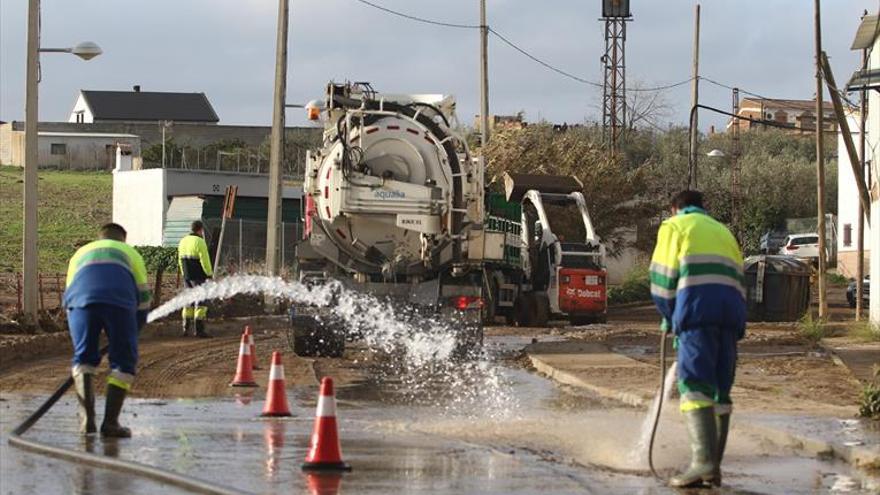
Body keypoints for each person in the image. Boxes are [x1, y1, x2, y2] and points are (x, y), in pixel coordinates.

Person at [649, 190, 746, 488]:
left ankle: (702, 463)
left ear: (675, 208)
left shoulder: (675, 226)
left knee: (694, 386)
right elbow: (741, 279)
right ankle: (712, 468)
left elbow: (663, 279)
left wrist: (670, 316)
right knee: (719, 392)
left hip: (696, 316)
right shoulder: (724, 232)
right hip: (731, 319)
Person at [64, 223, 151, 437]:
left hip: (80, 303)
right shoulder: (131, 253)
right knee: (123, 362)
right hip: (119, 303)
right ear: (123, 238)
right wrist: (133, 330)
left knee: (83, 358)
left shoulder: (80, 253)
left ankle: (87, 421)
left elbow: (69, 296)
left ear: (99, 237)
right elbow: (143, 299)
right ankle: (110, 423)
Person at [178, 220, 213, 338]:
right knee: (200, 302)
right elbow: (205, 260)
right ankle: (199, 330)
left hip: (187, 276)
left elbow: (179, 259)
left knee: (188, 301)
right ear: (200, 230)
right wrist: (209, 274)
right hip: (199, 276)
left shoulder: (183, 241)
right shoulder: (200, 242)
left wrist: (184, 274)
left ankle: (185, 328)